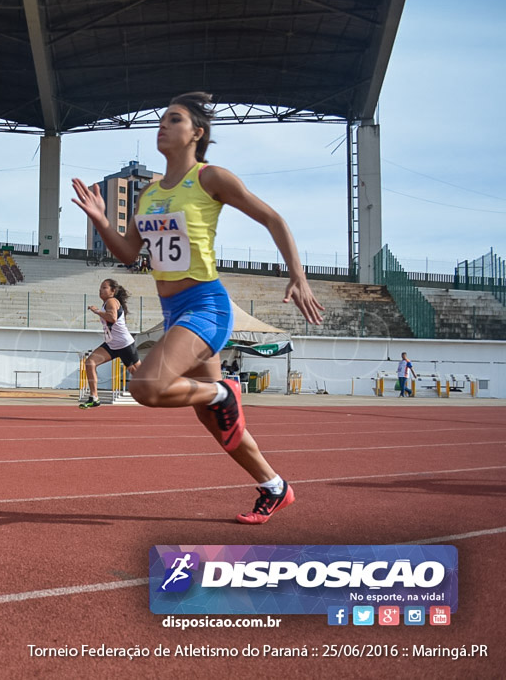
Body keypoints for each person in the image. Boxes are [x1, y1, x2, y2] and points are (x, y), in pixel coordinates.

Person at [71, 91, 324, 524]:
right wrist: (101, 222)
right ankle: (274, 486)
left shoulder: (211, 179)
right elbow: (131, 255)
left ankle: (225, 390)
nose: (163, 125)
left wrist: (297, 275)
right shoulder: (148, 196)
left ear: (197, 133)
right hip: (174, 311)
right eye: (162, 119)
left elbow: (273, 219)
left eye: (174, 119)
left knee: (146, 388)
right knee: (218, 423)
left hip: (206, 305)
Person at [80, 279, 143, 408]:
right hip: (112, 345)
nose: (101, 290)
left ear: (112, 291)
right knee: (90, 363)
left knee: (142, 376)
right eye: (100, 287)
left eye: (104, 287)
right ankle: (94, 397)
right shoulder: (106, 303)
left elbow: (112, 318)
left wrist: (97, 311)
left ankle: (163, 391)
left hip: (125, 345)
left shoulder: (111, 301)